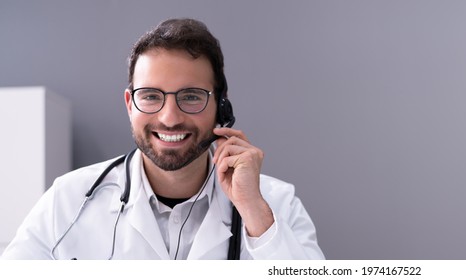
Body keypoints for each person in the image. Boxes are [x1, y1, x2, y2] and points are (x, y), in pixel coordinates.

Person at [1, 18, 324, 260]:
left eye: (192, 96)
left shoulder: (274, 202)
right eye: (151, 96)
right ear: (130, 104)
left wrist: (253, 210)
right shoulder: (69, 199)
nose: (170, 117)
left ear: (221, 106)